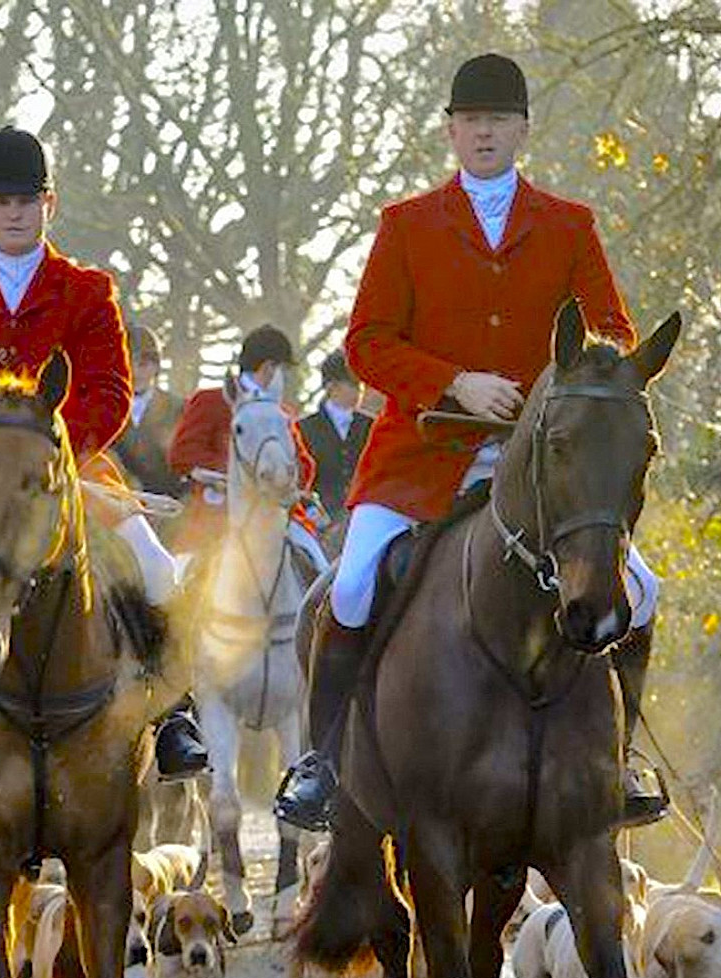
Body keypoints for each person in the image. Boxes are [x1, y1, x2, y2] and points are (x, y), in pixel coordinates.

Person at [275, 53, 664, 832]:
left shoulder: (569, 225)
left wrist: (563, 383)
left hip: (546, 461)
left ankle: (618, 758)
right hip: (423, 452)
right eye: (471, 120)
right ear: (452, 131)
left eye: (498, 120)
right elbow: (367, 344)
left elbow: (614, 332)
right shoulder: (406, 225)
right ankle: (322, 762)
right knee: (350, 587)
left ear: (521, 129)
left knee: (643, 590)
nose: (484, 132)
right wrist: (456, 383)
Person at [0, 124, 208, 790]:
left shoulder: (88, 289)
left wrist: (56, 459)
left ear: (50, 204)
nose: (15, 211)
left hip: (69, 473)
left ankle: (174, 716)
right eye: (1, 200)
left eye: (28, 198)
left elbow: (109, 391)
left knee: (155, 566)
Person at [169, 324, 329, 579]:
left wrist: (285, 475)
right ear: (268, 368)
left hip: (278, 518)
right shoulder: (210, 400)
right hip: (219, 515)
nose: (285, 378)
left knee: (321, 573)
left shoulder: (281, 413)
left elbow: (305, 466)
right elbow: (182, 454)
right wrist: (241, 473)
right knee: (178, 584)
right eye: (283, 370)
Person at [296, 348, 373, 533]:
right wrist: (312, 512)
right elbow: (296, 480)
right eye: (353, 384)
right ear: (332, 387)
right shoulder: (303, 429)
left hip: (362, 520)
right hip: (318, 523)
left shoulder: (371, 425)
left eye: (361, 384)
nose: (360, 390)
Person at [112, 325, 186, 499]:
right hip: (116, 505)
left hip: (167, 505)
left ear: (156, 366)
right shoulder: (103, 409)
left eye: (143, 364)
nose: (136, 372)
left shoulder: (179, 408)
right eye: (127, 364)